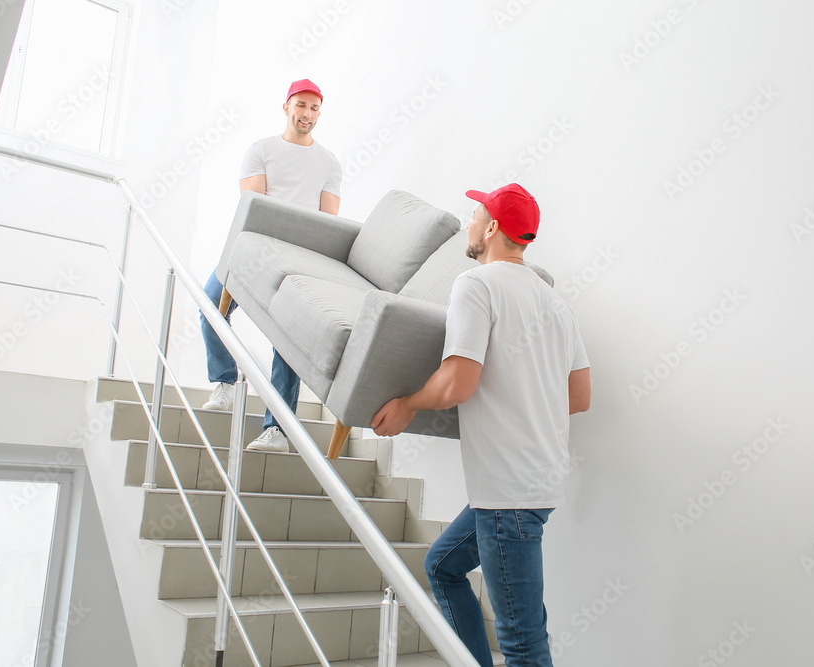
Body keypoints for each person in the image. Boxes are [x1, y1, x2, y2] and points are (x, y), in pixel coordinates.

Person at [371, 183, 591, 666]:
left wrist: (407, 404)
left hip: (508, 492)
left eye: (474, 215)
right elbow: (579, 397)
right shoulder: (555, 303)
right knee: (443, 567)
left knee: (522, 641)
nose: (467, 224)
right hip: (535, 485)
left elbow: (457, 383)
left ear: (492, 227)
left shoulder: (476, 285)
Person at [200, 78, 341, 452]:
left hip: (299, 258)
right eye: (301, 105)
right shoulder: (261, 149)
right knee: (211, 303)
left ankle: (277, 429)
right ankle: (225, 381)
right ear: (286, 107)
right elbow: (255, 207)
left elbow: (328, 223)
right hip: (253, 248)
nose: (307, 114)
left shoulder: (328, 162)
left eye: (314, 108)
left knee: (288, 340)